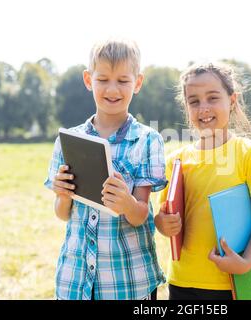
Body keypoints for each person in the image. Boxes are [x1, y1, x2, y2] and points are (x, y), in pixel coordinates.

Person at [44, 38, 167, 300]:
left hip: (128, 283)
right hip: (75, 280)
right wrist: (63, 194)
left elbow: (140, 215)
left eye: (123, 80)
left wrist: (126, 203)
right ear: (89, 80)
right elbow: (62, 214)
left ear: (138, 83)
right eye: (103, 79)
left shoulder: (147, 140)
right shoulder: (69, 141)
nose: (113, 89)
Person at [155, 62, 251, 300]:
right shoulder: (176, 161)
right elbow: (163, 219)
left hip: (233, 283)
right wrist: (163, 223)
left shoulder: (250, 154)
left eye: (212, 98)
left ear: (232, 101)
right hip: (182, 282)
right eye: (194, 101)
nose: (203, 108)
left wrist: (245, 263)